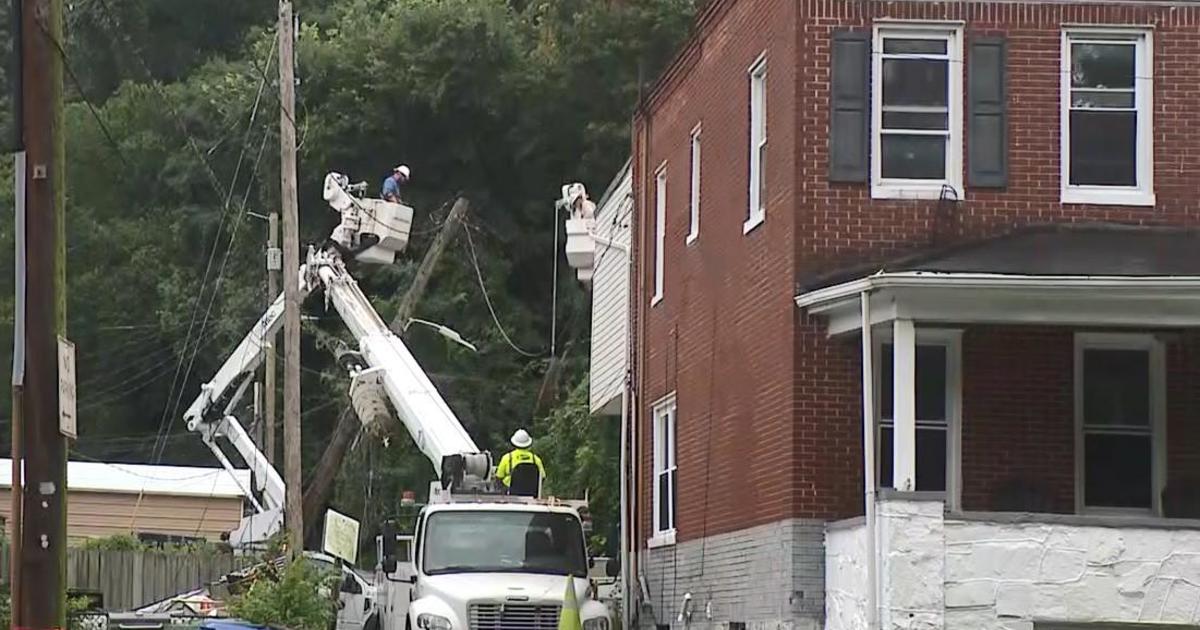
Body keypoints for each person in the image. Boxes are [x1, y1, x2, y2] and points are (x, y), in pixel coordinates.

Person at [495, 429, 546, 493]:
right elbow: (542, 478)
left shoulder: (507, 458)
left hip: (511, 494)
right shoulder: (536, 459)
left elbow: (499, 478)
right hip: (532, 493)